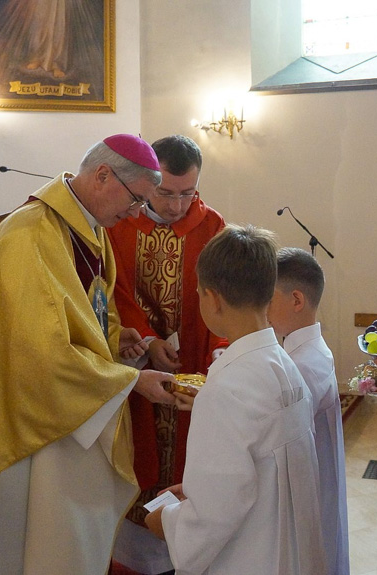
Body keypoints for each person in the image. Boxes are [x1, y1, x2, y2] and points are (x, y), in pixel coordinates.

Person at [0, 135, 189, 575]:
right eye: (136, 199)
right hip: (21, 422)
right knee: (16, 542)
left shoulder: (90, 230)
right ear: (103, 175)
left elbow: (85, 312)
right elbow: (40, 354)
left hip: (65, 413)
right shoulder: (29, 234)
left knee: (53, 540)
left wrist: (116, 336)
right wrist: (130, 381)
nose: (135, 213)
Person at [144, 224, 325, 574]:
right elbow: (264, 469)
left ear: (212, 298)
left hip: (250, 556)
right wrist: (199, 488)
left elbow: (216, 513)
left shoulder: (226, 386)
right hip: (286, 548)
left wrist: (167, 522)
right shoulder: (283, 361)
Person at [107, 134, 227, 519]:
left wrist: (220, 355)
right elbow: (115, 290)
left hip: (191, 356)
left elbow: (224, 297)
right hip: (136, 361)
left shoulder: (211, 227)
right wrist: (147, 338)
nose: (177, 206)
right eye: (167, 193)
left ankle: (181, 528)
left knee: (188, 451)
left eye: (187, 194)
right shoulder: (119, 222)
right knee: (138, 450)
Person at [267, 246, 349, 575]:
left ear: (296, 300)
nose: (261, 307)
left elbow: (274, 442)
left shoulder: (299, 366)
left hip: (306, 493)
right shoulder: (312, 350)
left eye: (267, 298)